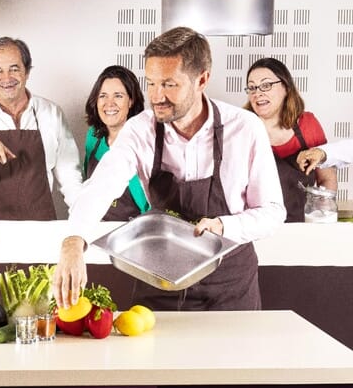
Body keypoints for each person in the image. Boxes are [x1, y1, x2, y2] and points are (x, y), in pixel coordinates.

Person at [53, 27, 286, 312]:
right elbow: (101, 185)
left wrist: (225, 226)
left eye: (169, 84)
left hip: (229, 285)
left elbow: (273, 211)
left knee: (231, 358)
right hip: (159, 281)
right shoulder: (140, 129)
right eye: (150, 83)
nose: (156, 96)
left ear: (202, 79)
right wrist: (74, 241)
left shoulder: (245, 128)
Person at [0, 37, 82, 236]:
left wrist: (83, 224)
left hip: (38, 230)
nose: (6, 78)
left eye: (14, 69)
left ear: (27, 72)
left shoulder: (51, 113)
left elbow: (70, 178)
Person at [244, 57, 336, 222]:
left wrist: (322, 215)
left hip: (300, 227)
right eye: (252, 87)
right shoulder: (242, 127)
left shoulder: (308, 125)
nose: (257, 93)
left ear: (286, 87)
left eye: (266, 85)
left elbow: (326, 178)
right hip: (255, 227)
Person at [84, 65, 149, 221]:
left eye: (118, 96)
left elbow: (155, 204)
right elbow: (87, 187)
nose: (109, 103)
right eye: (103, 96)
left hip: (134, 230)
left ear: (131, 101)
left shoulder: (146, 142)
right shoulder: (93, 136)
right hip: (95, 228)